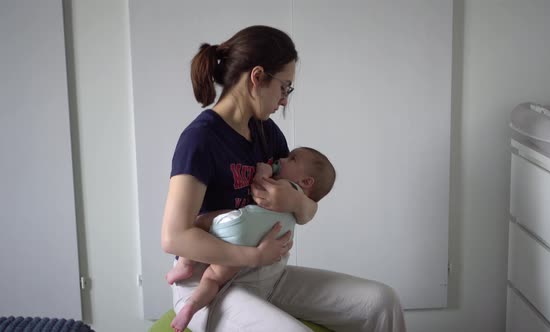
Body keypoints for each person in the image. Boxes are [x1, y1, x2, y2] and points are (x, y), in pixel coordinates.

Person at [161, 25, 406, 332]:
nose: (285, 100)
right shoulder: (200, 139)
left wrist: (294, 201)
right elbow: (174, 237)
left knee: (382, 302)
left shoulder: (267, 133)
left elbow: (307, 211)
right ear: (257, 77)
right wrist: (253, 255)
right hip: (208, 285)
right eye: (284, 87)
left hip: (267, 276)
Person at [167, 147, 336, 332]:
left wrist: (264, 171)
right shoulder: (296, 206)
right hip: (254, 242)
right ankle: (191, 306)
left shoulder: (288, 188)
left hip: (239, 226)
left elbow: (259, 187)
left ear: (306, 181)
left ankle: (185, 265)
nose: (283, 159)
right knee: (213, 279)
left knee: (201, 221)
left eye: (292, 159)